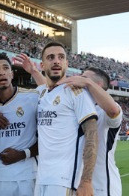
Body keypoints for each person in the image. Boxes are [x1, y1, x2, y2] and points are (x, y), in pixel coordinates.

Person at [35, 42, 99, 196]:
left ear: (66, 64)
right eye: (51, 57)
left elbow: (91, 135)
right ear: (42, 65)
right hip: (41, 178)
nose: (56, 61)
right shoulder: (40, 93)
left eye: (61, 57)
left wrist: (86, 181)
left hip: (64, 180)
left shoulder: (75, 91)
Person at [0, 52, 39, 196]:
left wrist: (23, 154)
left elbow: (48, 136)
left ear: (12, 73)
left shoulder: (32, 97)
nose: (2, 72)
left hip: (29, 175)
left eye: (6, 68)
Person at [56, 67, 123, 196]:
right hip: (76, 184)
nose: (79, 80)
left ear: (98, 85)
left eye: (84, 78)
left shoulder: (105, 111)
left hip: (102, 186)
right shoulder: (78, 108)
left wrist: (88, 83)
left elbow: (113, 111)